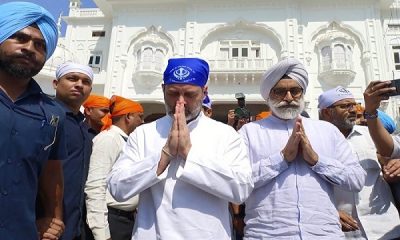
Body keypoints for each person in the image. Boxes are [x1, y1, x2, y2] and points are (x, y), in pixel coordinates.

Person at [107, 57, 253, 240]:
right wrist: (163, 157)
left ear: (204, 92)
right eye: (173, 93)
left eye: (190, 94)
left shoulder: (225, 134)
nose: (180, 102)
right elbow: (117, 188)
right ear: (163, 90)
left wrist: (189, 155)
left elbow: (241, 190)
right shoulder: (143, 133)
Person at [238, 58, 366, 239]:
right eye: (280, 91)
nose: (288, 97)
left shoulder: (327, 131)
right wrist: (281, 159)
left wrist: (317, 160)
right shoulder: (250, 133)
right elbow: (237, 184)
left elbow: (357, 180)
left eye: (295, 91)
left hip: (324, 234)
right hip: (268, 235)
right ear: (268, 95)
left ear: (303, 93)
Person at [0, 2, 66, 239]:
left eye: (39, 45)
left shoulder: (52, 114)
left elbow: (52, 171)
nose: (30, 48)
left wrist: (53, 216)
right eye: (19, 38)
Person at [319, 86, 400, 239]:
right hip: (343, 231)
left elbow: (392, 153)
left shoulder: (372, 134)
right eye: (345, 106)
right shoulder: (313, 141)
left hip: (384, 227)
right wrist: (328, 212)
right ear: (326, 112)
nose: (353, 110)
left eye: (354, 105)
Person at [85, 95, 144, 240]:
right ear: (129, 116)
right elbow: (96, 186)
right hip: (111, 220)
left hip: (124, 220)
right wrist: (102, 234)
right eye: (140, 117)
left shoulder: (125, 141)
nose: (142, 122)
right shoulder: (109, 139)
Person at [52, 62, 94, 240]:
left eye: (85, 81)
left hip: (76, 223)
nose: (79, 84)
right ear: (55, 83)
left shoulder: (83, 124)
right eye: (72, 78)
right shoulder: (45, 116)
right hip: (46, 222)